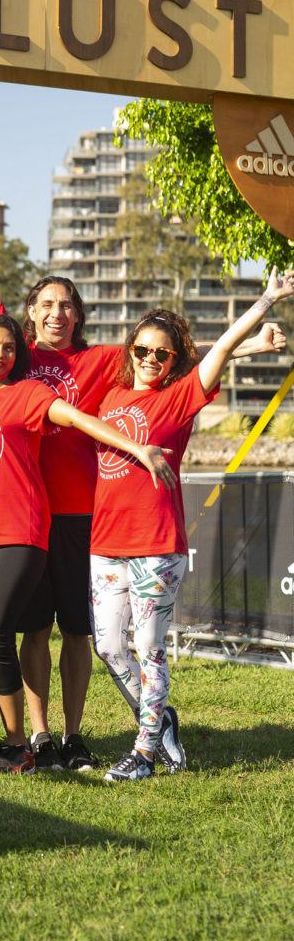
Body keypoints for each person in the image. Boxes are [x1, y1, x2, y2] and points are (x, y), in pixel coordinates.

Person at [0, 179, 287, 771]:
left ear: (79, 315)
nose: (57, 314)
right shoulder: (16, 359)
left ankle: (76, 735)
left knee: (79, 632)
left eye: (67, 306)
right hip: (28, 517)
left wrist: (250, 346)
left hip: (84, 513)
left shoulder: (103, 359)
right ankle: (39, 735)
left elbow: (164, 359)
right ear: (29, 314)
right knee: (31, 631)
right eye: (46, 305)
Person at [91, 268, 294, 782]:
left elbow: (221, 348)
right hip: (105, 543)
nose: (151, 361)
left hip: (156, 544)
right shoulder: (110, 400)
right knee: (109, 647)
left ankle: (144, 754)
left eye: (162, 354)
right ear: (130, 350)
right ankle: (159, 720)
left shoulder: (178, 400)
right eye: (143, 351)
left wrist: (266, 300)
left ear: (173, 360)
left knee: (149, 648)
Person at [0, 310, 171, 774]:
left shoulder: (30, 393)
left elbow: (79, 419)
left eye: (9, 348)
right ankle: (34, 739)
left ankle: (49, 741)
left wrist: (136, 449)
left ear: (20, 357)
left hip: (28, 528)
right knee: (11, 635)